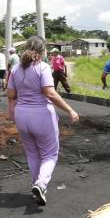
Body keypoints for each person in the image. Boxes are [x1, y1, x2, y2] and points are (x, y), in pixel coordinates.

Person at [7, 36, 80, 206]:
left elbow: (11, 95)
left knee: (32, 153)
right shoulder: (43, 67)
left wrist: (13, 109)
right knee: (49, 154)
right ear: (41, 51)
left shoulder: (16, 69)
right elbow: (50, 93)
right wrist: (70, 110)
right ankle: (41, 184)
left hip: (21, 114)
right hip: (40, 114)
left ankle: (37, 187)